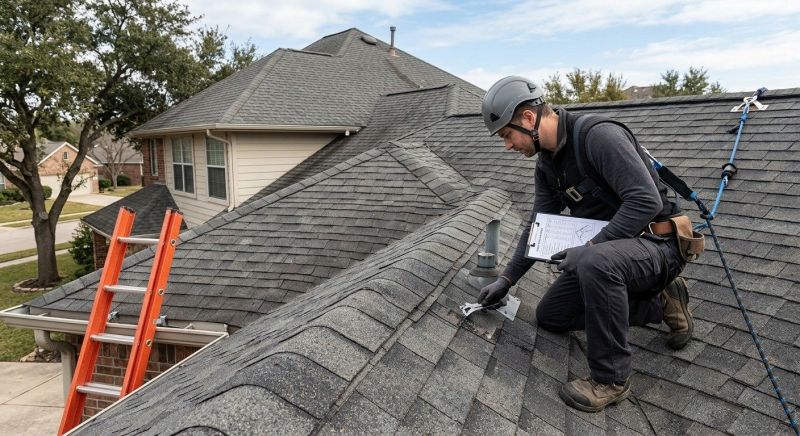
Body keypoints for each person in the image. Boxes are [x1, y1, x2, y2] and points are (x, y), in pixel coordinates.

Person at [478, 76, 696, 413]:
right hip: (616, 254)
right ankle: (661, 302)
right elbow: (539, 226)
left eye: (507, 135)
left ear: (527, 118)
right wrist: (507, 279)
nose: (508, 145)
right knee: (551, 316)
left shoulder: (599, 136)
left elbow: (645, 201)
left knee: (594, 262)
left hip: (659, 245)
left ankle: (611, 379)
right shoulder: (547, 164)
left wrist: (592, 246)